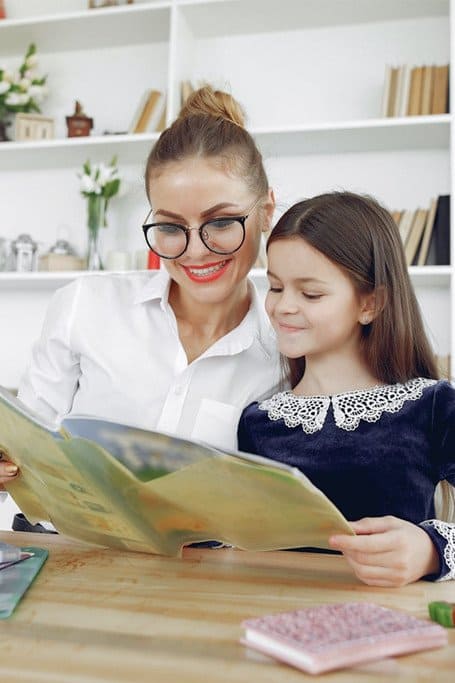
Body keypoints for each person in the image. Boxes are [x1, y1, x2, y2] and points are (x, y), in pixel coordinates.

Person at [1, 86, 280, 494]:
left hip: (204, 559)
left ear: (267, 212)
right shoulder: (85, 305)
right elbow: (23, 452)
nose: (197, 252)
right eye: (170, 227)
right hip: (73, 550)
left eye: (221, 223)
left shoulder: (287, 349)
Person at [237, 191, 455, 587]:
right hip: (273, 624)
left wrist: (428, 550)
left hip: (392, 629)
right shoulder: (256, 422)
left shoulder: (432, 405)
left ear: (370, 304)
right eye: (275, 286)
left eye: (311, 293)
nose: (283, 306)